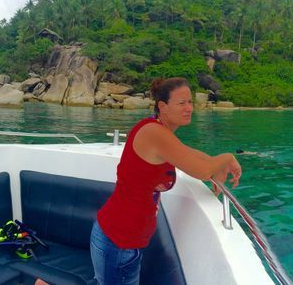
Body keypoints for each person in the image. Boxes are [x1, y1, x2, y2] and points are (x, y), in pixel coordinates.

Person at [93, 78, 243, 284]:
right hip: (119, 240)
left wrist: (216, 165)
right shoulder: (154, 133)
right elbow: (200, 170)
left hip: (120, 236)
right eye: (182, 103)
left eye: (190, 102)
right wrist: (227, 158)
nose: (189, 108)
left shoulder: (159, 131)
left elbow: (193, 156)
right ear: (162, 106)